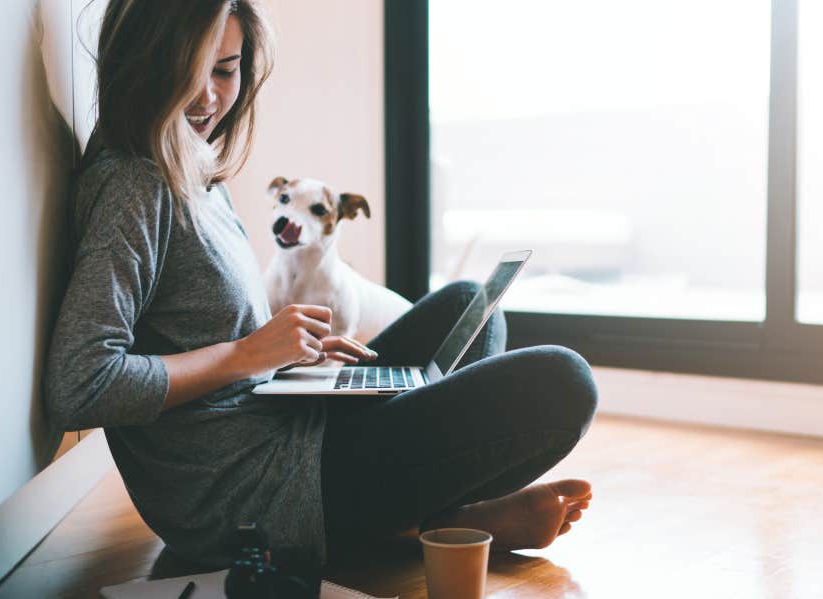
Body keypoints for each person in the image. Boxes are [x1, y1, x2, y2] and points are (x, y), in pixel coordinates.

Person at [44, 0, 597, 566]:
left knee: (469, 307)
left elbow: (196, 338)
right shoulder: (133, 188)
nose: (207, 97)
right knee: (563, 381)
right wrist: (246, 353)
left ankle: (446, 514)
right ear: (138, 59)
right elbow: (80, 385)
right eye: (186, 69)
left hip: (284, 431)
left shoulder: (193, 167)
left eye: (225, 69)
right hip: (253, 497)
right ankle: (452, 517)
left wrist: (284, 359)